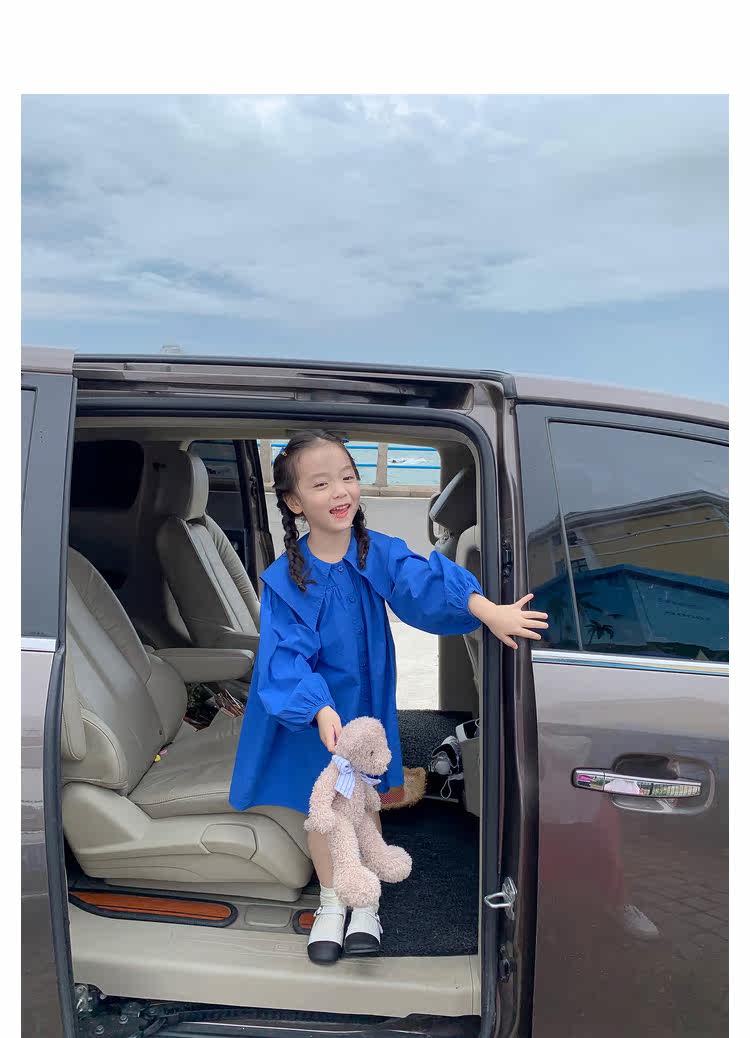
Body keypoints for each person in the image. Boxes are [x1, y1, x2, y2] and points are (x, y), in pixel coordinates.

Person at [229, 430, 549, 964]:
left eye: (348, 477)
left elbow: (420, 582)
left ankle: (367, 907)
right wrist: (316, 707)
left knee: (364, 802)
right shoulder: (286, 579)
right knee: (323, 808)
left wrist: (486, 610)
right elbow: (284, 657)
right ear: (294, 502)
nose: (340, 492)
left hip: (364, 710)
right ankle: (331, 902)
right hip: (316, 717)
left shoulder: (374, 551)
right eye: (321, 484)